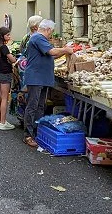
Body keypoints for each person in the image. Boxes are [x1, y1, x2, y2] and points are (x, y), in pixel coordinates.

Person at [22, 19, 73, 148]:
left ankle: (36, 130)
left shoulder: (38, 39)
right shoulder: (38, 38)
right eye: (51, 32)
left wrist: (62, 51)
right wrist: (66, 50)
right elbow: (51, 52)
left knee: (39, 106)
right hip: (36, 77)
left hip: (41, 78)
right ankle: (28, 135)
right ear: (48, 29)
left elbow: (50, 55)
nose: (51, 34)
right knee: (33, 105)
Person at [0, 27, 17, 131]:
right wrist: (15, 59)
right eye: (7, 35)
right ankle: (3, 122)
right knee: (5, 98)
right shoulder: (4, 47)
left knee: (0, 97)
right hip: (5, 73)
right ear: (2, 36)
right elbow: (12, 60)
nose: (9, 36)